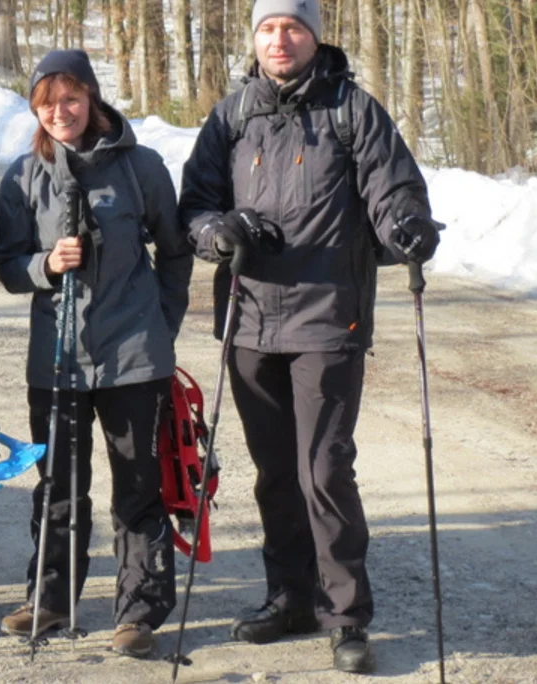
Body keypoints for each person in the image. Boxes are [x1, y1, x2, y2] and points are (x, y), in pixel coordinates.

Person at [178, 0, 441, 674]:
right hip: (250, 317)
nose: (279, 38)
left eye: (292, 26)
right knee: (275, 473)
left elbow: (393, 190)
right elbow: (196, 205)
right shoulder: (233, 116)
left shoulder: (353, 111)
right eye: (268, 28)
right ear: (256, 40)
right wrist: (216, 233)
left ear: (314, 36)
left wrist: (407, 227)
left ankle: (346, 615)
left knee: (323, 469)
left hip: (328, 317)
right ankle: (289, 596)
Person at [0, 50, 194, 659]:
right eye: (47, 102)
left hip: (133, 355)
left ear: (93, 99)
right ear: (35, 108)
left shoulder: (141, 168)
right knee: (56, 484)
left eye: (72, 98)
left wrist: (162, 323)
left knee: (137, 487)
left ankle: (138, 612)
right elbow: (6, 266)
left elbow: (175, 250)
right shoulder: (23, 175)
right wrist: (45, 266)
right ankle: (51, 597)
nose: (61, 112)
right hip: (56, 359)